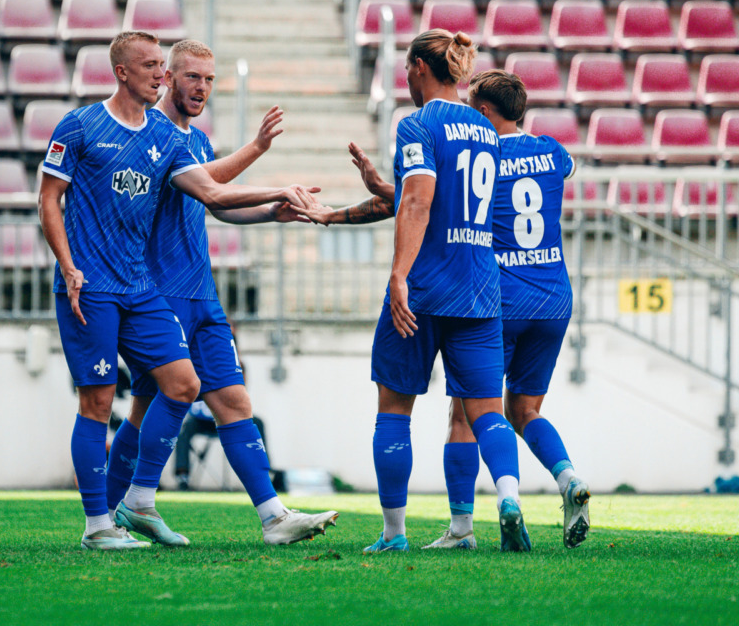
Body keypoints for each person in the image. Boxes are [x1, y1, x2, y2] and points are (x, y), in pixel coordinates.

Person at [38, 30, 321, 550]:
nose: (191, 84)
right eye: (184, 74)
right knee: (115, 404)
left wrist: (273, 208)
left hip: (187, 293)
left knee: (215, 395)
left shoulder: (178, 141)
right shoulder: (97, 127)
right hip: (140, 290)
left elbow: (213, 198)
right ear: (130, 71)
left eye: (207, 79)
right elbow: (50, 199)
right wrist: (68, 264)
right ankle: (107, 519)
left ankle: (262, 514)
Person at [296, 30, 531, 553]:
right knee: (487, 411)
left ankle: (394, 534)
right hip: (478, 290)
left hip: (423, 290)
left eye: (407, 66)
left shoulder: (417, 125)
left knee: (394, 409)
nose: (404, 75)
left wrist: (399, 274)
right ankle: (505, 503)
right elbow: (412, 200)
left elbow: (419, 204)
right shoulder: (486, 129)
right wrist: (342, 212)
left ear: (422, 68)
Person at [348, 70, 591, 550]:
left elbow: (435, 203)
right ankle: (567, 481)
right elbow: (568, 168)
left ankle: (462, 528)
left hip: (496, 295)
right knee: (524, 410)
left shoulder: (486, 155)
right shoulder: (550, 150)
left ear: (482, 111)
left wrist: (380, 189)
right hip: (555, 297)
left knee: (466, 415)